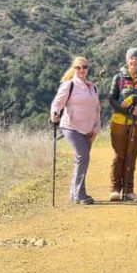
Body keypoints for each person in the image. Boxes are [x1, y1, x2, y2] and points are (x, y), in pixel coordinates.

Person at [50, 56, 101, 205]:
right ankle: (79, 194)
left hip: (88, 129)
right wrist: (54, 114)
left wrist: (96, 129)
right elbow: (57, 103)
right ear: (74, 69)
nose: (82, 70)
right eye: (78, 67)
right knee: (83, 157)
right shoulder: (69, 85)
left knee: (82, 160)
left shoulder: (93, 87)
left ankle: (76, 193)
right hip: (71, 127)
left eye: (85, 67)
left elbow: (97, 109)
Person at [107, 48, 137, 202]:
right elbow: (112, 99)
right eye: (131, 58)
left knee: (132, 155)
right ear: (127, 60)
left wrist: (135, 100)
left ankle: (128, 191)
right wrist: (126, 111)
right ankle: (115, 189)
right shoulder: (118, 77)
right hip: (119, 122)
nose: (134, 61)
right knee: (120, 155)